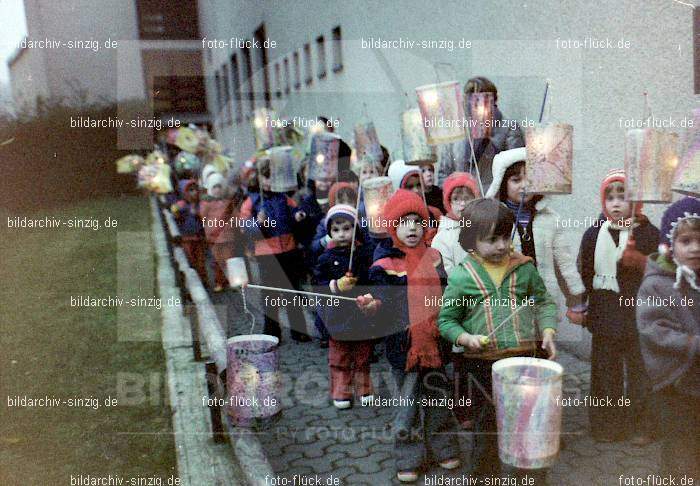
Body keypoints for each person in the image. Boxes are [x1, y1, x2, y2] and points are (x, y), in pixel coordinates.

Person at [437, 198, 557, 482]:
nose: (502, 246)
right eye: (492, 240)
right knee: (486, 426)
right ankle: (484, 475)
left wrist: (549, 331)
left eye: (505, 237)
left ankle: (530, 477)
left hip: (524, 360)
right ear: (471, 241)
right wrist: (464, 338)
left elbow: (543, 302)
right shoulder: (461, 277)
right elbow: (446, 321)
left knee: (527, 423)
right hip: (481, 366)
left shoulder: (524, 267)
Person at [358, 189, 460, 483]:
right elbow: (380, 302)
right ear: (392, 227)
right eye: (404, 222)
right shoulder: (384, 265)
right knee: (408, 406)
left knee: (439, 400)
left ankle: (443, 447)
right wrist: (371, 306)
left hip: (436, 343)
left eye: (417, 221)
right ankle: (409, 456)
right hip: (404, 349)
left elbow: (448, 293)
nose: (412, 228)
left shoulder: (435, 257)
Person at [577, 169, 659, 444]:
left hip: (640, 317)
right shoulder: (593, 234)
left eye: (622, 196)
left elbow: (662, 274)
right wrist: (582, 306)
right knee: (605, 374)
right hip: (606, 316)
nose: (615, 203)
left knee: (640, 373)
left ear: (636, 201)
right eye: (609, 197)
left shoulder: (648, 234)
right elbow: (585, 272)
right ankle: (606, 426)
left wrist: (640, 261)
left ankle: (641, 424)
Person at [637, 197, 700, 482]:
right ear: (669, 245)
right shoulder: (657, 284)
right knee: (680, 448)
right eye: (686, 241)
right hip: (674, 381)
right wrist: (692, 343)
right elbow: (654, 330)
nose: (695, 248)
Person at [486, 147, 586, 324]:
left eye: (530, 179)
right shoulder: (493, 220)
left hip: (543, 304)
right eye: (516, 180)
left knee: (543, 348)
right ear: (502, 183)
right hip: (506, 308)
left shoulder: (550, 219)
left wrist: (576, 299)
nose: (524, 185)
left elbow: (565, 264)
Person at [239, 157, 310, 342]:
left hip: (288, 250)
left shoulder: (284, 198)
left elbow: (294, 213)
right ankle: (272, 331)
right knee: (269, 295)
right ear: (259, 178)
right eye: (267, 177)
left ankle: (298, 329)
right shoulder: (252, 201)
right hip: (266, 255)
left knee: (292, 293)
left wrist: (298, 216)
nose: (270, 182)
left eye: (274, 177)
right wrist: (258, 224)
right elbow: (244, 228)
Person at [314, 204, 375, 408]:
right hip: (336, 316)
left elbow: (371, 279)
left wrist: (366, 294)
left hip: (359, 315)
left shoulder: (363, 254)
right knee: (339, 356)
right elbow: (319, 286)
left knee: (362, 355)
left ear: (355, 230)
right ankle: (341, 390)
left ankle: (364, 387)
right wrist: (336, 285)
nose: (341, 234)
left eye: (347, 228)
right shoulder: (325, 258)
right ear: (329, 231)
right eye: (336, 229)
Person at [459, 76, 524, 189]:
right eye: (471, 99)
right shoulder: (460, 128)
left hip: (493, 195)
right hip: (462, 197)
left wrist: (487, 138)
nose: (476, 104)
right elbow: (446, 171)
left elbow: (516, 168)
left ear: (493, 101)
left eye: (483, 99)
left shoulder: (509, 127)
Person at [431, 172, 481, 274]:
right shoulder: (442, 238)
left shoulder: (484, 228)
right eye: (456, 199)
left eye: (467, 198)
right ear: (448, 202)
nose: (462, 204)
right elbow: (446, 272)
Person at [200, 173, 242, 292]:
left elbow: (234, 216)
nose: (217, 190)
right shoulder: (206, 203)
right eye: (214, 187)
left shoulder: (228, 202)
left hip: (228, 236)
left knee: (230, 260)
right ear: (210, 189)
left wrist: (238, 224)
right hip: (214, 238)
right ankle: (219, 282)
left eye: (219, 187)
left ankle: (233, 281)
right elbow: (202, 217)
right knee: (217, 262)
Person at [171, 179, 208, 285]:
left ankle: (203, 281)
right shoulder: (181, 205)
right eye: (190, 190)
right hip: (186, 238)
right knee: (190, 261)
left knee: (201, 261)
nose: (194, 193)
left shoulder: (200, 205)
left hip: (199, 237)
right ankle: (192, 283)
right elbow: (176, 217)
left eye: (195, 190)